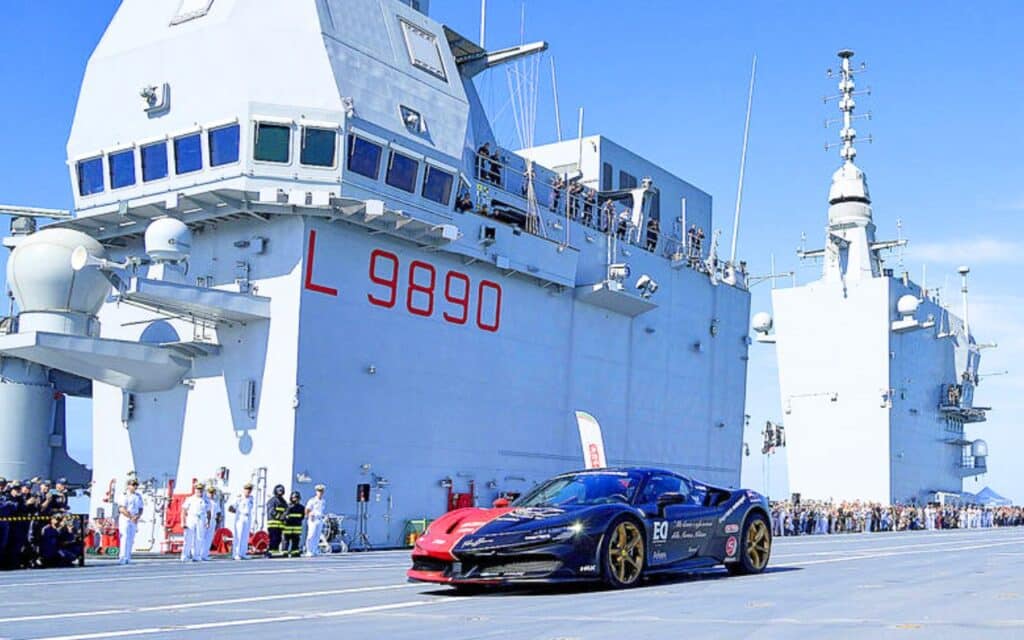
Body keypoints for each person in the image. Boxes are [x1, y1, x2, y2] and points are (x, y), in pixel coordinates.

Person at [118, 478, 144, 565]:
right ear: (128, 486)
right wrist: (130, 517)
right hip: (126, 518)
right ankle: (122, 557)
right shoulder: (124, 495)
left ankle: (128, 557)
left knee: (131, 538)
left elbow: (140, 508)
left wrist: (137, 516)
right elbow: (122, 508)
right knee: (125, 537)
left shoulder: (138, 496)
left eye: (136, 485)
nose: (135, 486)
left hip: (134, 518)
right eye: (133, 484)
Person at [180, 482, 206, 562]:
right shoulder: (190, 499)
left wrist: (207, 521)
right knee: (188, 538)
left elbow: (208, 511)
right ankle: (185, 555)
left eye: (201, 489)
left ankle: (196, 555)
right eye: (198, 489)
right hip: (191, 518)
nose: (199, 491)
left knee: (199, 538)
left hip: (201, 519)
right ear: (195, 490)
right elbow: (184, 511)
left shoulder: (205, 500)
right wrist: (183, 522)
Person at [229, 483, 255, 560]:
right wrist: (237, 512)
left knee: (245, 536)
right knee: (238, 536)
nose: (248, 491)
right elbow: (231, 508)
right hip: (240, 517)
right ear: (244, 490)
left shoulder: (251, 498)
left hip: (248, 517)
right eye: (247, 489)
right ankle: (236, 554)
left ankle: (243, 553)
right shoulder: (239, 498)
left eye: (250, 490)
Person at [304, 485, 327, 557]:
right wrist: (308, 516)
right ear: (316, 492)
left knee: (317, 535)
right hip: (313, 519)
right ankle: (309, 550)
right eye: (319, 491)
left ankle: (315, 549)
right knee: (311, 535)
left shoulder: (323, 501)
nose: (320, 493)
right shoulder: (312, 500)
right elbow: (307, 509)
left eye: (321, 491)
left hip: (320, 519)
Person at [265, 484, 288, 557]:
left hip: (280, 524)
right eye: (279, 491)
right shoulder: (272, 500)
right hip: (273, 524)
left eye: (281, 491)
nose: (280, 492)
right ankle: (271, 552)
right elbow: (271, 511)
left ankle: (275, 551)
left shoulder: (283, 501)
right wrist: (280, 516)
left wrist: (285, 516)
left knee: (278, 539)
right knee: (273, 539)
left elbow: (286, 510)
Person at [283, 491, 305, 557]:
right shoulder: (287, 506)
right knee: (286, 541)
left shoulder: (301, 507)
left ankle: (295, 552)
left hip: (297, 528)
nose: (296, 499)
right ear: (291, 498)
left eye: (297, 498)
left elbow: (302, 517)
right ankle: (285, 553)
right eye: (294, 498)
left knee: (296, 541)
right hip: (288, 528)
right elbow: (284, 516)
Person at [201, 485, 220, 561]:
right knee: (202, 537)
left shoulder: (215, 502)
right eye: (210, 493)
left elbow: (218, 512)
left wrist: (218, 520)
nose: (211, 494)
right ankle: (198, 553)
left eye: (212, 493)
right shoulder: (204, 501)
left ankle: (205, 554)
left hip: (212, 520)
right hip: (205, 520)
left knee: (209, 538)